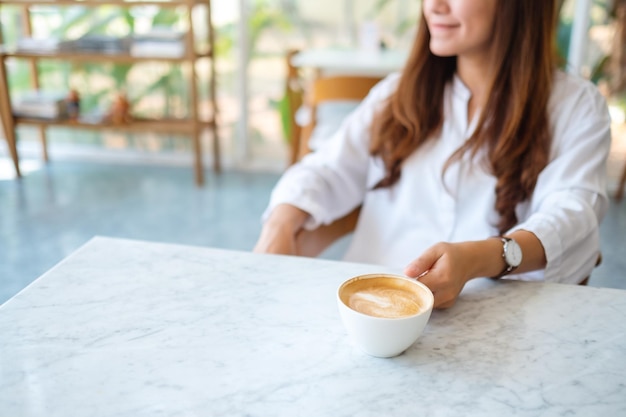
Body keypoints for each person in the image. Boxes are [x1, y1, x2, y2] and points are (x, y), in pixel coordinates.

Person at [254, 0, 612, 309]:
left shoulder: (575, 107)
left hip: (501, 331)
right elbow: (326, 170)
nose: (434, 6)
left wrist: (479, 258)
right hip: (371, 317)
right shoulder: (397, 94)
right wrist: (281, 222)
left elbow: (573, 217)